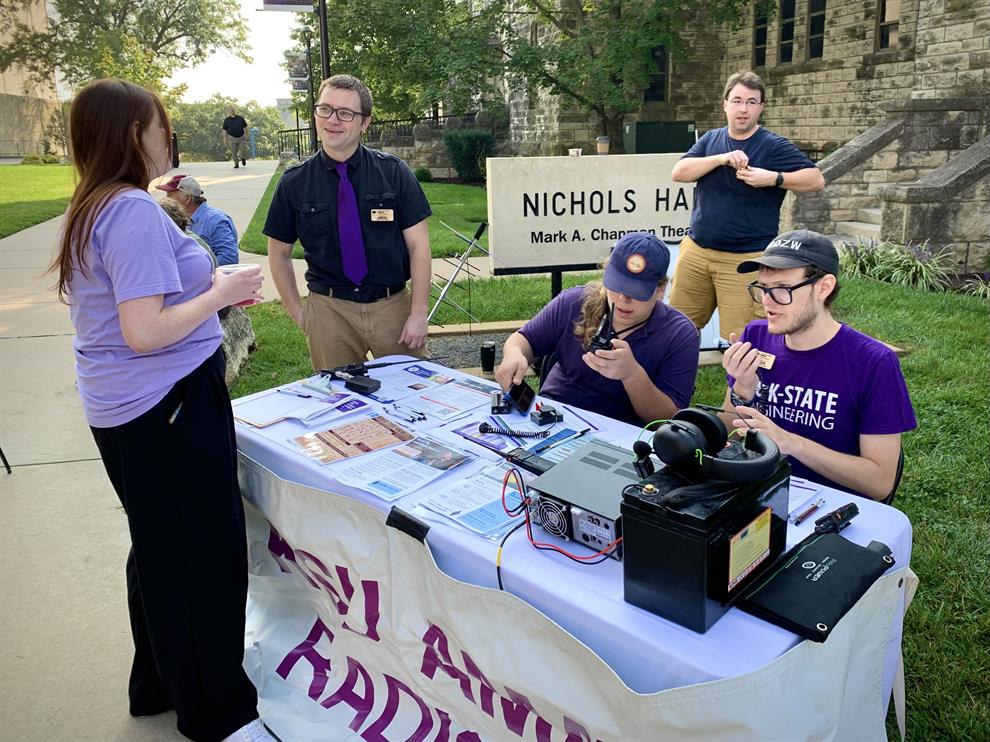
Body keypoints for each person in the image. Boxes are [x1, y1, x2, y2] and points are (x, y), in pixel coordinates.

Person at [49, 78, 272, 742]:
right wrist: (222, 289)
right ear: (130, 135)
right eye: (157, 125)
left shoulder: (97, 205)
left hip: (131, 408)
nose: (165, 136)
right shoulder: (133, 212)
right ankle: (218, 709)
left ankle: (158, 683)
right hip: (167, 404)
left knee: (159, 547)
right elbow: (144, 330)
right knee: (204, 554)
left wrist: (200, 287)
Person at [720, 229, 916, 500]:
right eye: (763, 289)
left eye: (782, 289)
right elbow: (728, 430)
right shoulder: (755, 335)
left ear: (823, 287)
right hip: (762, 492)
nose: (767, 302)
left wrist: (791, 443)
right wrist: (741, 389)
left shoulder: (873, 362)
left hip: (833, 506)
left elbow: (880, 482)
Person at [263, 73, 432, 370]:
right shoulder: (294, 183)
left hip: (392, 308)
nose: (333, 120)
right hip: (329, 311)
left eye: (346, 113)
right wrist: (302, 317)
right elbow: (278, 254)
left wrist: (418, 314)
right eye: (325, 109)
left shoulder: (394, 173)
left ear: (365, 123)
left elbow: (419, 247)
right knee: (339, 406)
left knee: (413, 395)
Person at [669, 70, 825, 341]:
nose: (743, 109)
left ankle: (741, 385)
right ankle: (676, 383)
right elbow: (679, 172)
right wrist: (721, 159)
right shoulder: (711, 140)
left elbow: (816, 179)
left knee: (743, 341)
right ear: (725, 104)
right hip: (696, 253)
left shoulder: (774, 146)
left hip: (743, 261)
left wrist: (774, 178)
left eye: (752, 102)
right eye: (737, 100)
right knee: (677, 331)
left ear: (761, 108)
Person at [496, 232, 700, 426]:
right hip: (555, 416)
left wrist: (632, 375)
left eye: (637, 292)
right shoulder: (573, 302)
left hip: (624, 433)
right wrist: (514, 354)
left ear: (660, 291)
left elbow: (666, 418)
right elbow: (524, 340)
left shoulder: (679, 334)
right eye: (618, 286)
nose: (624, 299)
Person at [156, 174, 240, 266]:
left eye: (170, 195)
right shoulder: (177, 218)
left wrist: (201, 272)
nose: (166, 199)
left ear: (187, 198)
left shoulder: (216, 220)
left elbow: (229, 258)